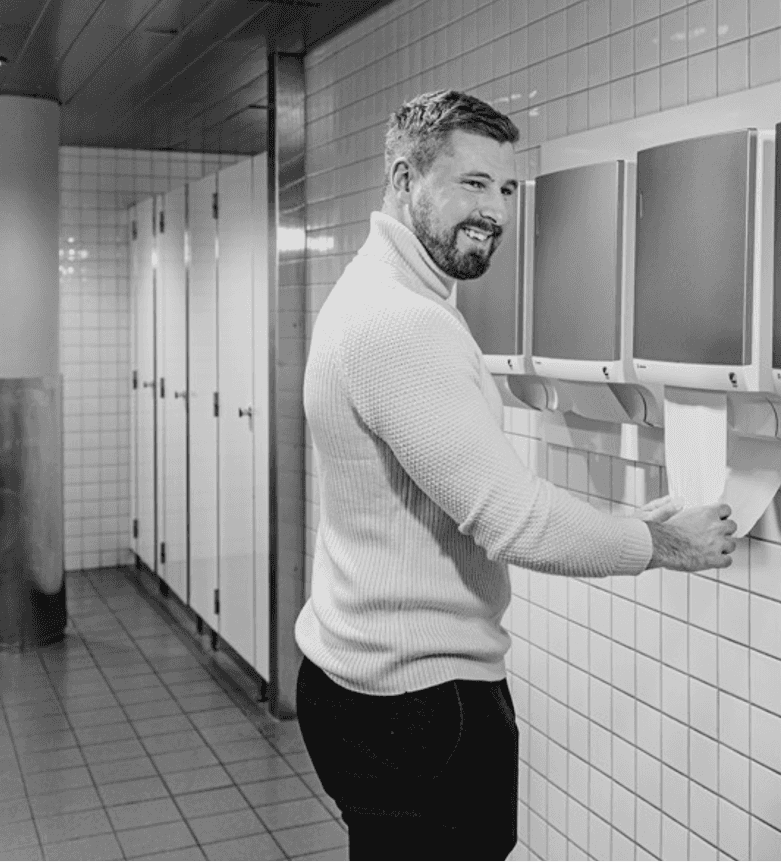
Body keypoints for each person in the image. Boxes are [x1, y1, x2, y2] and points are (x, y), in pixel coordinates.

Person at [293, 90, 737, 861]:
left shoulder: (383, 297)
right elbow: (511, 518)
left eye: (505, 189)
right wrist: (660, 544)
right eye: (471, 184)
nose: (494, 210)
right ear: (404, 178)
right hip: (418, 701)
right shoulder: (402, 324)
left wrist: (637, 528)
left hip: (365, 681)